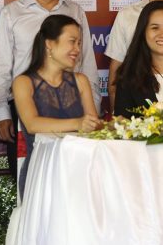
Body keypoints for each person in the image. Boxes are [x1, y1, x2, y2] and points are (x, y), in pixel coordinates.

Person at [0, 0, 99, 184]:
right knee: (31, 179)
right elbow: (0, 69)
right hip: (26, 106)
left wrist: (92, 115)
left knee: (74, 181)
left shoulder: (75, 11)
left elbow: (87, 63)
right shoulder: (11, 13)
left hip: (72, 103)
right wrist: (2, 113)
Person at [12, 14, 101, 198]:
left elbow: (93, 128)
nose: (77, 49)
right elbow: (32, 124)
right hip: (41, 174)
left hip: (80, 173)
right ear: (49, 44)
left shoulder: (81, 81)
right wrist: (78, 123)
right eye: (72, 42)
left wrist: (114, 126)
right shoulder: (23, 82)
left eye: (79, 43)